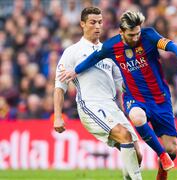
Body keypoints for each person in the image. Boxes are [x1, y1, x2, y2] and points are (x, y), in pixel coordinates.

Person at [58, 10, 177, 180]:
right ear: (121, 32)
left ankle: (163, 167)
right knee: (137, 118)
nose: (136, 37)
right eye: (131, 35)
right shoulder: (111, 46)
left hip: (160, 99)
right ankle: (162, 155)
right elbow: (93, 59)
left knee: (172, 149)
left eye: (137, 33)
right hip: (134, 98)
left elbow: (172, 45)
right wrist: (75, 71)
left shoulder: (149, 35)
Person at [53, 7, 142, 180]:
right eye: (93, 22)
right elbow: (59, 86)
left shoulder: (109, 51)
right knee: (124, 136)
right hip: (90, 104)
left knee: (137, 155)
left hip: (112, 105)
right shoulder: (72, 52)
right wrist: (57, 116)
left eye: (100, 22)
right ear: (82, 24)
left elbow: (121, 84)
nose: (97, 26)